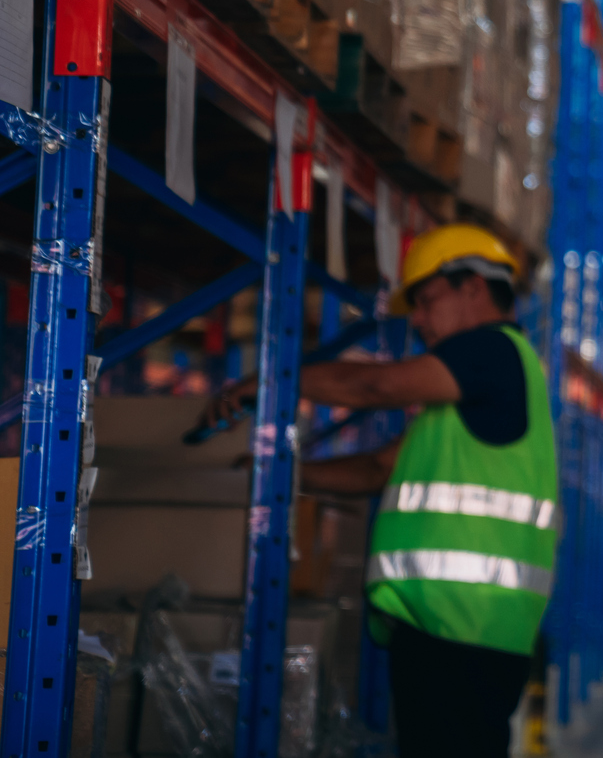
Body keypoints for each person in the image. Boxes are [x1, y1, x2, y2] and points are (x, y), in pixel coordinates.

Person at [203, 224, 557, 758]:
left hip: (461, 625)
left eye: (426, 301)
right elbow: (377, 470)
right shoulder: (472, 393)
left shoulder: (492, 351)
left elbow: (376, 387)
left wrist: (271, 380)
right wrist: (285, 471)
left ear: (473, 289)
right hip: (455, 626)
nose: (417, 320)